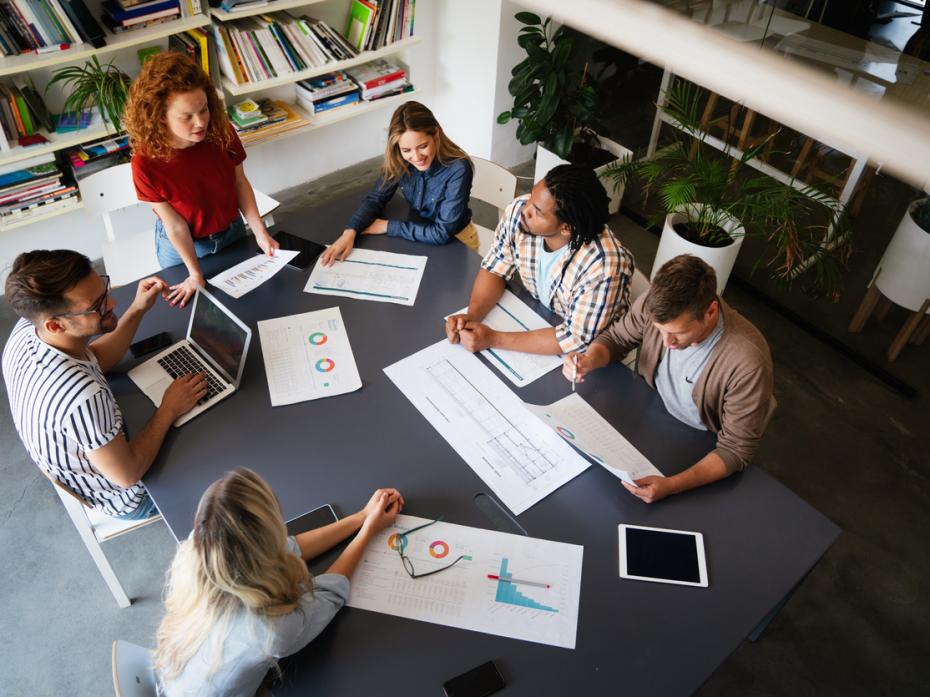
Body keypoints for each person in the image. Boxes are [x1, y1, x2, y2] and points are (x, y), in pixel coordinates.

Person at [154, 468, 403, 697]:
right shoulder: (272, 628)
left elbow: (290, 548)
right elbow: (329, 594)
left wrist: (361, 517)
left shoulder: (198, 548)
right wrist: (369, 531)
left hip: (175, 674)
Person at [2, 250, 207, 519]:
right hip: (128, 496)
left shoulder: (28, 328)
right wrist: (168, 409)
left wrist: (137, 309)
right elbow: (128, 474)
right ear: (55, 325)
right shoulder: (82, 397)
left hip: (94, 452)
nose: (111, 302)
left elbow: (94, 359)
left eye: (104, 289)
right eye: (96, 305)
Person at [565, 255, 774, 504]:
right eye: (660, 330)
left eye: (678, 333)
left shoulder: (748, 361)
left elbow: (735, 450)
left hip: (698, 446)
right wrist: (590, 359)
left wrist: (672, 486)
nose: (666, 342)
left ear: (710, 312)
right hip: (646, 410)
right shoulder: (656, 305)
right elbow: (617, 339)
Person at [123, 51, 278, 309]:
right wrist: (195, 274)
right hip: (183, 246)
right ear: (160, 116)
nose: (200, 122)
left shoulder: (221, 131)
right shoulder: (145, 162)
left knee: (252, 304)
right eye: (186, 117)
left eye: (204, 109)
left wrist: (260, 233)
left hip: (231, 229)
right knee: (198, 310)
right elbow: (174, 225)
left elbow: (239, 183)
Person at [446, 164, 634, 356]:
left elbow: (574, 339)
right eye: (532, 196)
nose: (525, 209)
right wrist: (471, 317)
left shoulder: (604, 267)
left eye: (537, 211)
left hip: (590, 357)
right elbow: (495, 268)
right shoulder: (521, 212)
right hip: (543, 318)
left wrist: (493, 339)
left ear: (566, 228)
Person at [320, 100, 478, 264]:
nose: (416, 157)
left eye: (423, 146)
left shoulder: (459, 168)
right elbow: (376, 198)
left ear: (436, 134)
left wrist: (387, 226)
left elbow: (442, 233)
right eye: (406, 150)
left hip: (457, 241)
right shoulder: (399, 160)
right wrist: (349, 234)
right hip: (418, 232)